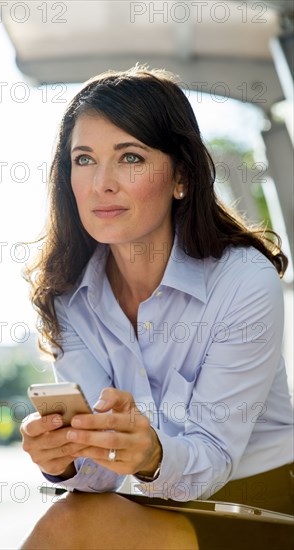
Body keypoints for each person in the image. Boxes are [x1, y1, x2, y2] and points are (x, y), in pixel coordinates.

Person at [20, 65, 293, 549]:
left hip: (262, 507)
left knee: (72, 525)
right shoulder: (68, 295)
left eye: (129, 157)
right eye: (84, 160)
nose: (102, 183)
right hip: (160, 504)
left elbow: (211, 457)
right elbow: (98, 476)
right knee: (71, 512)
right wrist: (61, 457)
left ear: (181, 176)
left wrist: (148, 454)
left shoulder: (244, 282)